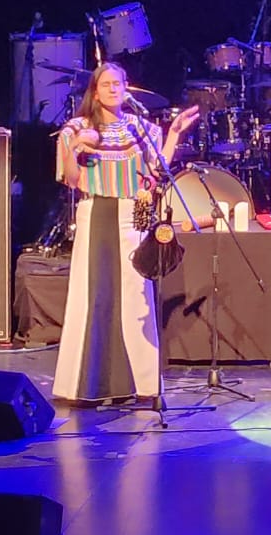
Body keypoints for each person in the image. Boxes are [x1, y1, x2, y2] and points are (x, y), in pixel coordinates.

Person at [53, 62, 201, 403]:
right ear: (95, 90)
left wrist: (175, 134)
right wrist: (76, 148)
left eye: (117, 83)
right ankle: (86, 385)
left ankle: (143, 385)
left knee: (136, 297)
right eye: (105, 84)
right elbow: (72, 179)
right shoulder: (77, 128)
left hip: (133, 213)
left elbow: (155, 172)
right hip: (96, 213)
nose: (113, 89)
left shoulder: (139, 128)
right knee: (94, 297)